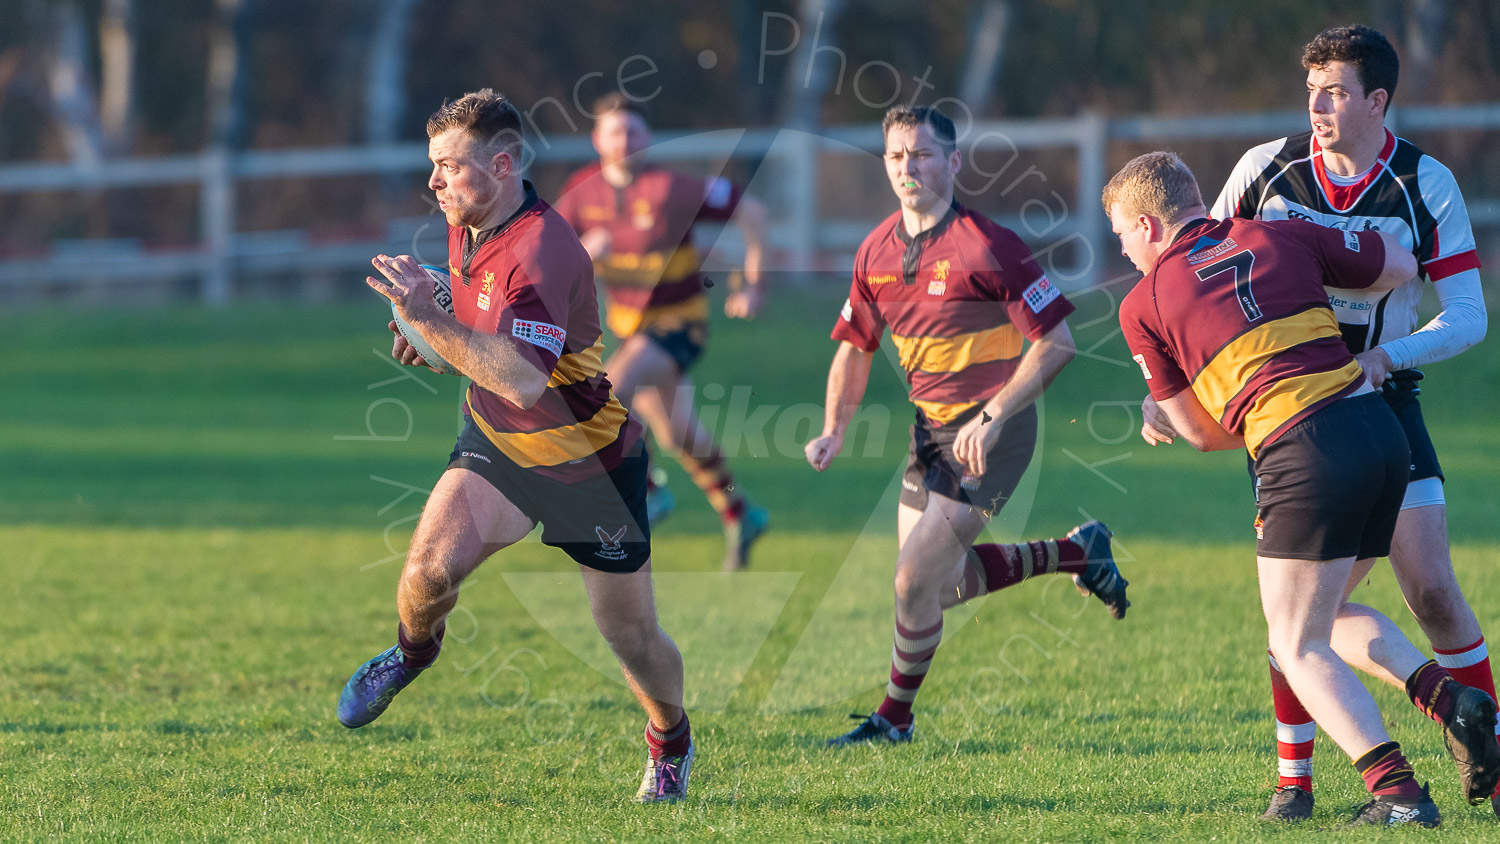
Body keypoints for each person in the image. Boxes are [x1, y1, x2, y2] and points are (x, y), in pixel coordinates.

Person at [1111, 150, 1499, 826]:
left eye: (1120, 234)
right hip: (1381, 431)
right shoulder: (1276, 232)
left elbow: (1199, 433)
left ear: (1147, 224)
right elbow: (1401, 264)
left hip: (1305, 453)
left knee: (1295, 643)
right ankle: (1454, 701)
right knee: (1326, 617)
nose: (1123, 250)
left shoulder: (1142, 302)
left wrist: (1205, 412)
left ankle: (1399, 795)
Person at [338, 90, 694, 804]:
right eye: (432, 166)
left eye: (449, 167)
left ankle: (671, 741)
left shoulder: (540, 250)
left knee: (630, 638)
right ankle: (411, 654)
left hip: (589, 464)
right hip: (499, 446)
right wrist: (432, 331)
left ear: (502, 165)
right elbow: (478, 329)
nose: (434, 182)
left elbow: (525, 378)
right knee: (426, 575)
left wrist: (425, 323)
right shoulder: (468, 217)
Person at [1208, 25, 1493, 821]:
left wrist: (1386, 356)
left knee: (1431, 590)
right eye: (1310, 90)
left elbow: (1468, 317)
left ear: (1377, 100)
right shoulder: (1264, 170)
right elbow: (1193, 266)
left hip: (1385, 402)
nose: (1317, 105)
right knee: (1302, 612)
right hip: (1290, 416)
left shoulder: (1424, 183)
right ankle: (1293, 786)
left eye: (1334, 90)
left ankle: (1491, 763)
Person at [804, 106, 1130, 748]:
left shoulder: (987, 245)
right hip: (930, 438)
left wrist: (995, 412)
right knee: (938, 587)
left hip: (995, 437)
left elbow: (1058, 341)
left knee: (910, 581)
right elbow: (854, 345)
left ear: (952, 162)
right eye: (896, 156)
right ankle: (1074, 552)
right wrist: (834, 428)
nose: (907, 167)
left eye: (921, 154)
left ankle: (894, 719)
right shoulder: (873, 251)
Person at [551, 93, 771, 571]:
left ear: (648, 139)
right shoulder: (581, 194)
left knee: (609, 390)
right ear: (597, 140)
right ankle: (740, 510)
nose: (625, 140)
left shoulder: (674, 188)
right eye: (615, 131)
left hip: (680, 325)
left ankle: (649, 491)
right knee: (680, 436)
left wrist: (752, 283)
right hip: (633, 332)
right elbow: (555, 263)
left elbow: (751, 211)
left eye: (633, 131)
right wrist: (585, 251)